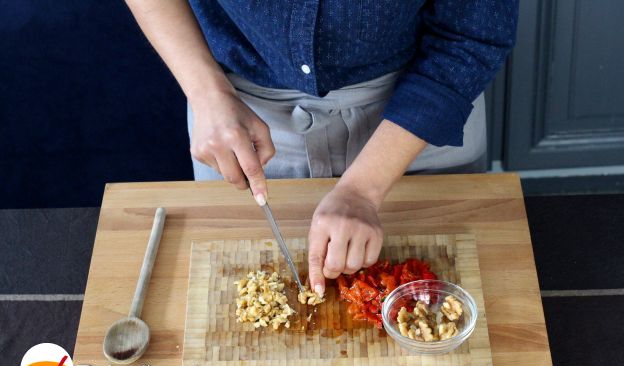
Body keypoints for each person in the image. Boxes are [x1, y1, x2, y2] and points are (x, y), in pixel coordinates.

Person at [125, 0, 518, 297]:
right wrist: (206, 93)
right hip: (239, 113)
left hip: (420, 114)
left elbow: (472, 34)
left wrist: (364, 188)